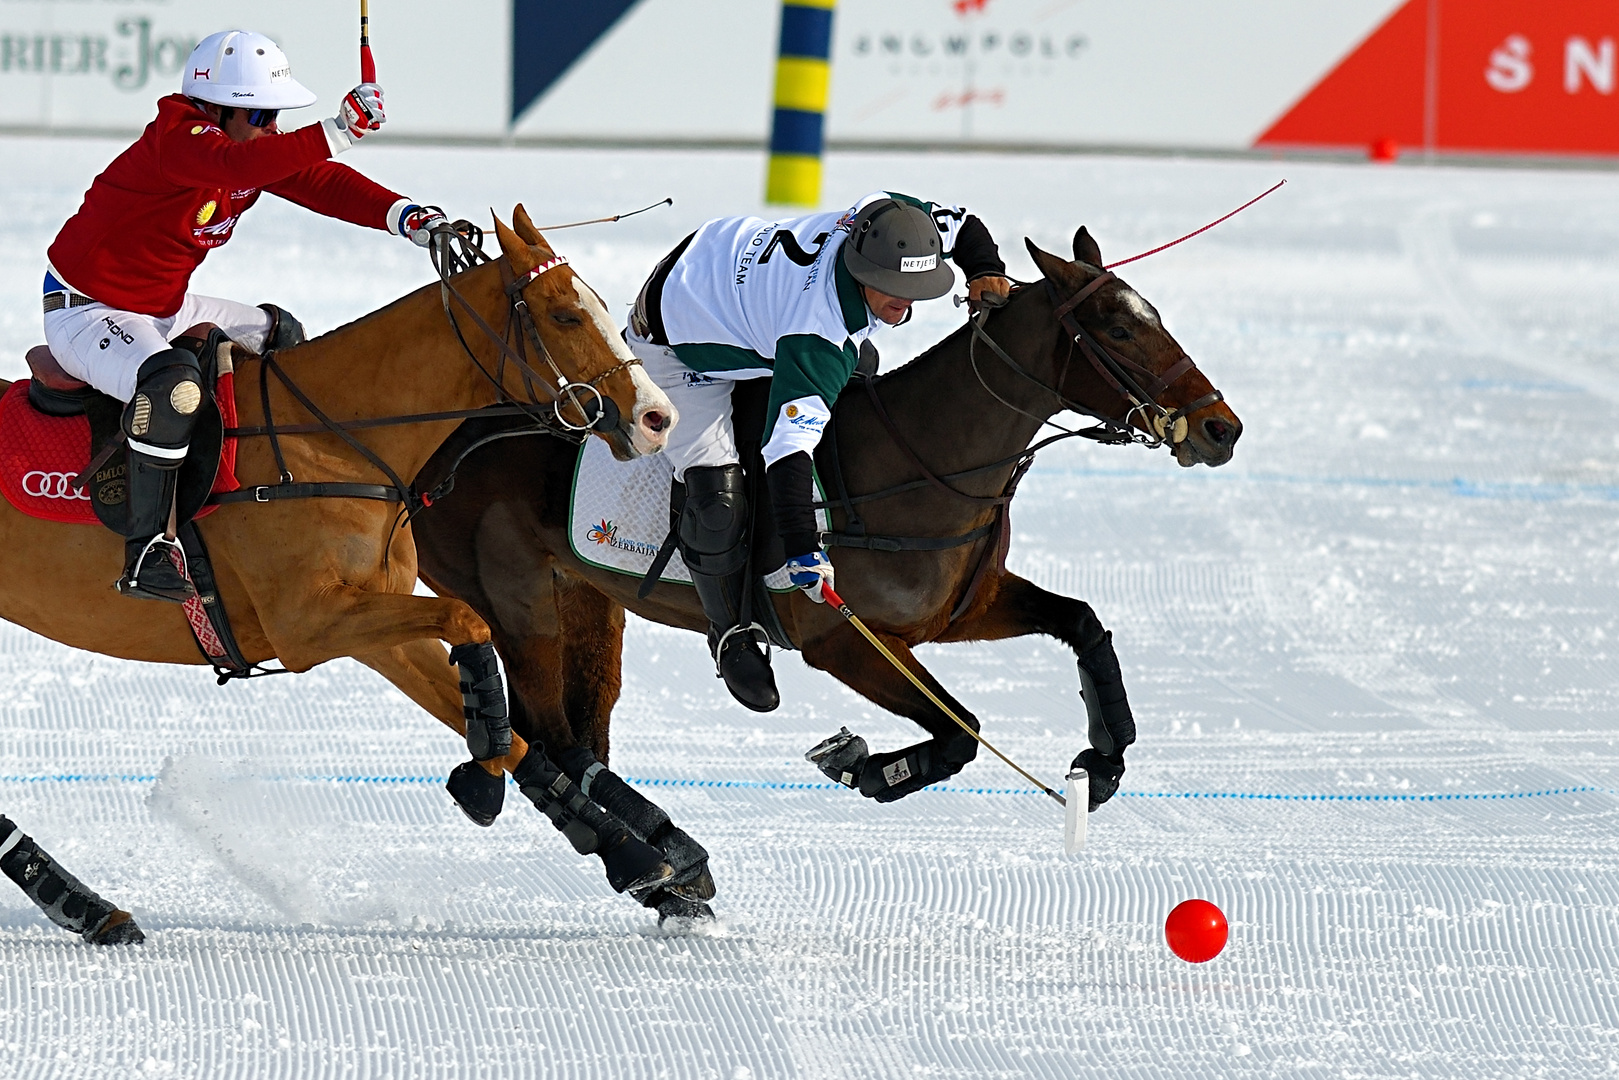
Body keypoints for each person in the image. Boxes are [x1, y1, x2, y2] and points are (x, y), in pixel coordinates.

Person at [41, 29, 447, 603]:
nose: (272, 127)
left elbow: (314, 180)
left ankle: (258, 508)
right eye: (260, 115)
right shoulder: (178, 139)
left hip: (163, 307)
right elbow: (235, 164)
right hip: (88, 310)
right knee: (172, 387)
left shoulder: (247, 147)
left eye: (275, 115)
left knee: (284, 337)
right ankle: (149, 550)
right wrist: (335, 131)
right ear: (217, 108)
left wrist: (404, 215)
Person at [627, 192, 1011, 711]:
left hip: (726, 263)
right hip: (675, 340)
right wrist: (804, 549)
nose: (909, 303)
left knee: (861, 372)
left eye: (917, 288)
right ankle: (730, 630)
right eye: (896, 290)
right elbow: (787, 451)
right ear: (862, 268)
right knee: (715, 491)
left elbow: (963, 221)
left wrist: (983, 269)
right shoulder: (819, 330)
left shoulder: (885, 218)